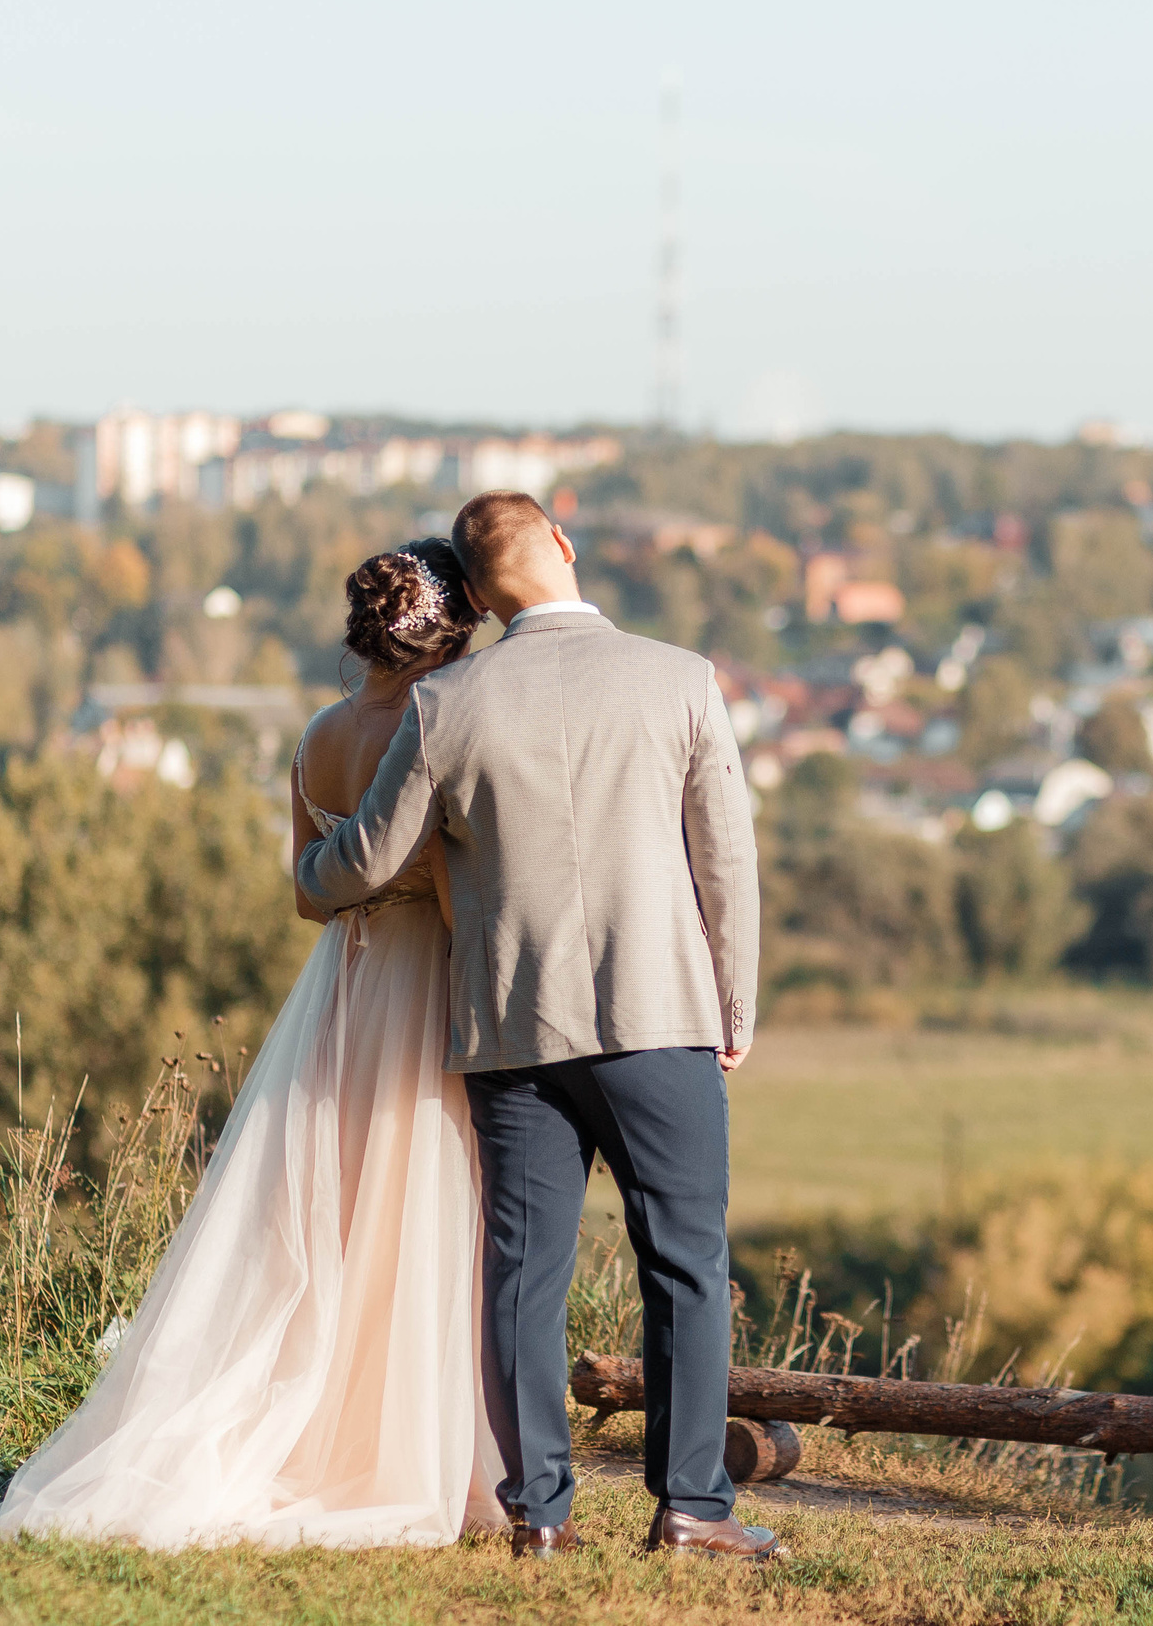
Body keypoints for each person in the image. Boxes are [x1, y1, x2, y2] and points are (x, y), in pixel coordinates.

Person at [0, 538, 504, 1549]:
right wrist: (427, 887)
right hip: (425, 977)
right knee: (418, 1204)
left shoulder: (318, 734)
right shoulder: (444, 722)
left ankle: (334, 1434)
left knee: (333, 1205)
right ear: (452, 626)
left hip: (340, 980)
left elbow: (307, 895)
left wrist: (367, 887)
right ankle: (404, 1454)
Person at [295, 490, 770, 1563]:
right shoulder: (681, 678)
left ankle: (539, 1515)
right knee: (685, 1264)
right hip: (661, 1016)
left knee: (520, 1272)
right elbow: (725, 866)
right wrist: (731, 1007)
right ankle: (691, 1506)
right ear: (561, 546)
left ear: (469, 590)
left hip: (511, 1023)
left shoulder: (447, 702)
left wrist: (306, 869)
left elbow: (365, 861)